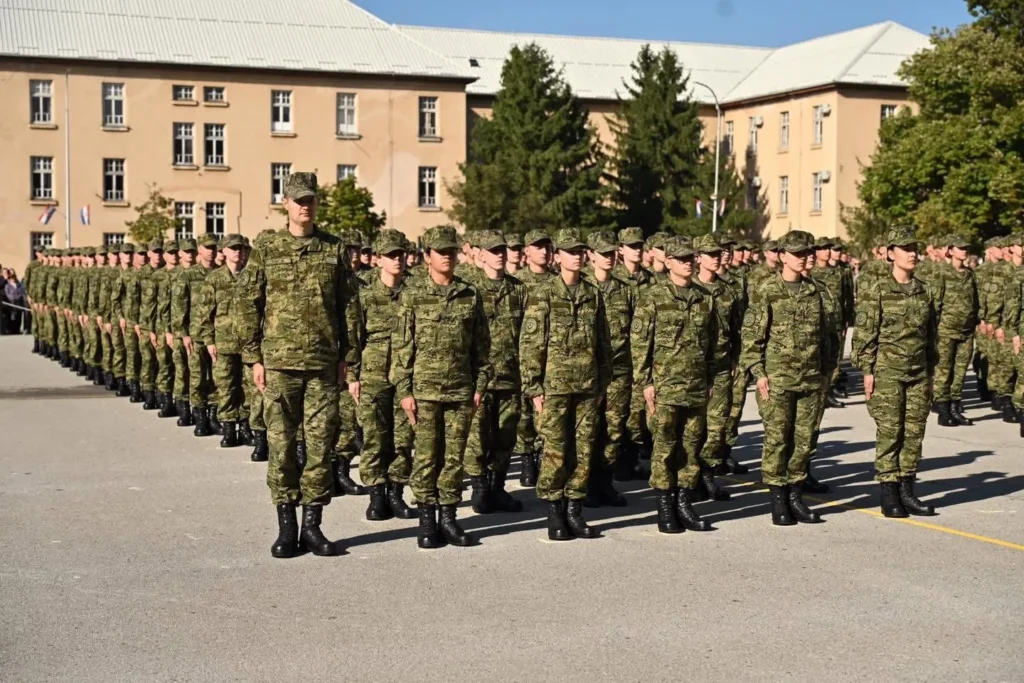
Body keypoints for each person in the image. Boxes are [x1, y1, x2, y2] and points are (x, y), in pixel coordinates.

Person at [238, 172, 361, 558]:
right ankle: (286, 527)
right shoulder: (267, 248)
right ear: (286, 204)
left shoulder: (334, 249)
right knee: (282, 446)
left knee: (321, 447)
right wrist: (252, 356)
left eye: (311, 200)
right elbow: (247, 301)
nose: (305, 206)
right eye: (298, 200)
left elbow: (349, 306)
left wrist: (349, 357)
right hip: (279, 365)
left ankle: (312, 526)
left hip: (324, 366)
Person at [391, 224, 492, 549]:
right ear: (427, 257)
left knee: (453, 458)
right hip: (424, 393)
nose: (446, 256)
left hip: (461, 391)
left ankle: (448, 519)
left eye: (451, 251)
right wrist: (404, 392)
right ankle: (426, 521)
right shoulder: (413, 296)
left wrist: (480, 386)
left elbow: (482, 347)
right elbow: (402, 347)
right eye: (440, 252)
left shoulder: (469, 294)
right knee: (426, 458)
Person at [520, 227, 612, 541]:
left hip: (587, 387)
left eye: (580, 251)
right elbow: (531, 343)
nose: (577, 256)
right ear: (558, 257)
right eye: (570, 251)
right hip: (554, 387)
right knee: (555, 451)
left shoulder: (592, 293)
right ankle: (554, 512)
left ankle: (575, 509)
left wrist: (602, 385)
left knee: (584, 451)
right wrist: (534, 388)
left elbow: (603, 343)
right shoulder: (544, 292)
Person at [740, 230, 827, 526]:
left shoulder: (817, 291)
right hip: (776, 380)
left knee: (804, 442)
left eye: (809, 252)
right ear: (783, 256)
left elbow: (827, 338)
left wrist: (826, 374)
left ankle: (796, 497)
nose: (807, 257)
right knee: (777, 440)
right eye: (800, 253)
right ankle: (778, 500)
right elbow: (751, 338)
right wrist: (758, 373)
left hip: (810, 380)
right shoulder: (767, 291)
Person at [632, 236, 716, 533]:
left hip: (695, 386)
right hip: (665, 387)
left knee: (691, 449)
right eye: (681, 259)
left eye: (691, 258)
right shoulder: (653, 297)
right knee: (664, 448)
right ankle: (665, 508)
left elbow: (713, 344)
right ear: (668, 262)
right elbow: (640, 343)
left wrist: (711, 379)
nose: (688, 263)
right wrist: (644, 382)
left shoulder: (704, 298)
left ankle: (684, 503)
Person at [852, 226, 938, 518]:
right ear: (891, 254)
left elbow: (931, 336)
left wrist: (931, 372)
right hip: (887, 373)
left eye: (915, 247)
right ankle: (888, 494)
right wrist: (867, 371)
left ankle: (908, 491)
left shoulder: (924, 290)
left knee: (914, 433)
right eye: (905, 248)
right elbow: (864, 337)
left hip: (918, 373)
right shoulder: (878, 290)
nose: (913, 253)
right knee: (890, 432)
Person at [350, 230, 416, 521]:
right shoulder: (365, 295)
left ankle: (396, 493)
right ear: (377, 259)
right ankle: (377, 494)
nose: (397, 259)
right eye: (391, 255)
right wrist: (352, 376)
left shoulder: (416, 293)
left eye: (400, 254)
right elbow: (353, 338)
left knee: (402, 438)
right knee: (375, 437)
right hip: (373, 375)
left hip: (407, 377)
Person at [463, 229, 527, 515]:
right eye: (493, 251)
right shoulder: (469, 289)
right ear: (481, 255)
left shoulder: (519, 289)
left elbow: (529, 335)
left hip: (511, 377)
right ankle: (479, 489)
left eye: (502, 250)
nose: (500, 255)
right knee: (477, 437)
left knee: (505, 436)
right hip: (479, 379)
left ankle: (497, 488)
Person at [582, 230, 633, 508]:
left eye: (613, 253)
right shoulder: (583, 288)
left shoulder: (625, 290)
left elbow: (636, 335)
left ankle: (605, 481)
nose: (610, 258)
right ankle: (587, 483)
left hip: (619, 372)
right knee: (588, 431)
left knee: (614, 430)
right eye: (604, 253)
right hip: (588, 374)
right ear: (590, 256)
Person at [692, 233, 739, 501]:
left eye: (719, 252)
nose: (719, 256)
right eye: (712, 253)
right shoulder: (690, 289)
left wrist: (735, 358)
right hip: (692, 369)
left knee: (717, 425)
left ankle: (708, 474)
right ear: (698, 258)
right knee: (692, 427)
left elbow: (737, 328)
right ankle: (690, 477)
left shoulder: (726, 292)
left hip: (720, 366)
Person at [512, 230, 554, 487]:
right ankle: (526, 457)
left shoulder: (556, 281)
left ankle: (540, 456)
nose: (544, 251)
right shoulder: (517, 282)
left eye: (547, 247)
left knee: (544, 411)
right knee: (524, 413)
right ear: (527, 251)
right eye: (538, 247)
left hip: (550, 358)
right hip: (520, 355)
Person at [197, 234, 247, 448]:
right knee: (226, 387)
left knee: (248, 388)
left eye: (241, 249)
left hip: (247, 344)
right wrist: (209, 340)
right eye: (233, 248)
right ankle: (228, 429)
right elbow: (204, 314)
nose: (238, 252)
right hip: (223, 343)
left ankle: (246, 427)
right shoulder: (215, 279)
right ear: (224, 252)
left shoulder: (250, 277)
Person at [932, 235, 979, 427]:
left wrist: (977, 319)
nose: (964, 250)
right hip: (946, 330)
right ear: (950, 251)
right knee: (944, 371)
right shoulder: (941, 272)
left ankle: (955, 407)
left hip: (966, 331)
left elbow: (975, 300)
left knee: (960, 371)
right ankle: (943, 411)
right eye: (960, 248)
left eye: (966, 247)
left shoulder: (969, 274)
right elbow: (935, 303)